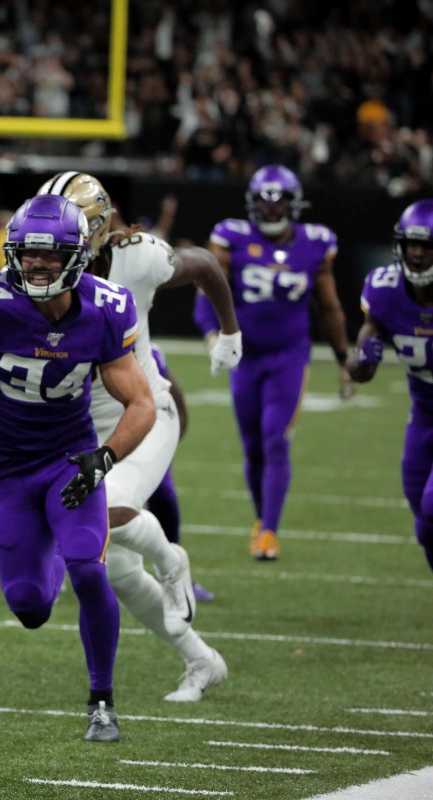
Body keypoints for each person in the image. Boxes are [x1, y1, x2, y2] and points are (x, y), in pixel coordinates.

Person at [0, 194, 156, 740]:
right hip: (7, 470)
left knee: (87, 568)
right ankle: (56, 553)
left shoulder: (104, 309)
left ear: (77, 256)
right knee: (30, 606)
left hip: (69, 463)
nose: (35, 264)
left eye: (50, 255)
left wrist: (105, 458)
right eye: (27, 254)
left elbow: (142, 404)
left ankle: (101, 700)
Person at [38, 171, 237, 701]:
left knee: (108, 508)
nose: (48, 248)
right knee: (120, 571)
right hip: (80, 432)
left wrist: (230, 331)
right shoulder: (33, 271)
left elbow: (208, 265)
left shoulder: (138, 257)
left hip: (144, 417)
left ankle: (172, 560)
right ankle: (202, 661)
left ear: (99, 231)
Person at [199, 165, 351, 561]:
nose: (271, 210)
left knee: (274, 439)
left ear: (293, 203)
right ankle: (260, 518)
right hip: (245, 357)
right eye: (264, 203)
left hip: (288, 356)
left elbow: (330, 306)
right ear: (252, 204)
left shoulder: (316, 243)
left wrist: (342, 358)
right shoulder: (231, 237)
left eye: (279, 201)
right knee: (252, 447)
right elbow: (209, 289)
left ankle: (268, 531)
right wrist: (210, 333)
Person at [346, 199, 433, 573]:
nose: (416, 253)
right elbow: (357, 369)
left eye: (426, 246)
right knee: (421, 514)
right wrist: (365, 360)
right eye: (411, 244)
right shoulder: (385, 288)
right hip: (424, 413)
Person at [146, 343, 216, 603]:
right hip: (91, 431)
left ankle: (175, 575)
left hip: (139, 433)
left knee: (163, 493)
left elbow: (175, 396)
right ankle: (55, 566)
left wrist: (170, 439)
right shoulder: (84, 335)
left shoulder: (148, 351)